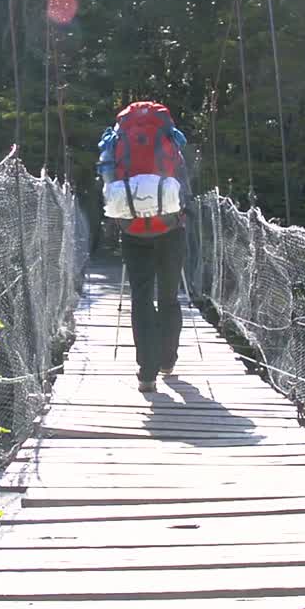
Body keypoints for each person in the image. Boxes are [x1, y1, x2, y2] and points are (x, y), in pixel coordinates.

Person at [97, 101, 192, 392]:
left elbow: (107, 185)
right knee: (169, 297)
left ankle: (147, 373)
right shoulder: (170, 139)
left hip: (133, 230)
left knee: (141, 298)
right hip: (171, 228)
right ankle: (168, 361)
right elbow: (183, 186)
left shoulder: (116, 140)